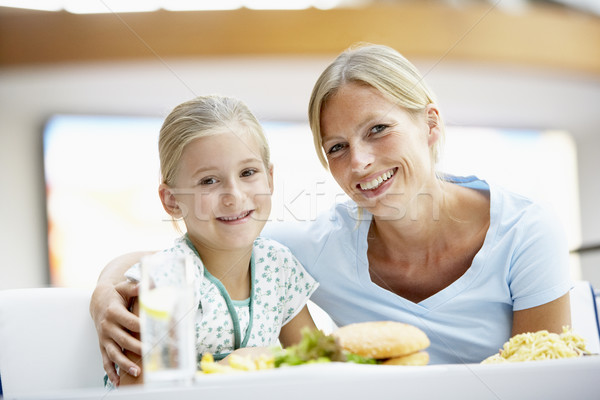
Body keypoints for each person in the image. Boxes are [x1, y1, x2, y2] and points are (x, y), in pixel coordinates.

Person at [90, 44, 572, 383]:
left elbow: (541, 379)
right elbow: (195, 248)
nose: (359, 161)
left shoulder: (526, 230)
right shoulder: (311, 248)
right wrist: (105, 293)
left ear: (429, 124)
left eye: (378, 129)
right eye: (337, 146)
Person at [108, 95, 318, 386]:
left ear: (270, 178)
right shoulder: (166, 284)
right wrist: (224, 373)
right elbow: (141, 394)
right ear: (172, 200)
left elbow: (319, 367)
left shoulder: (278, 266)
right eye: (208, 181)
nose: (234, 195)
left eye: (248, 172)